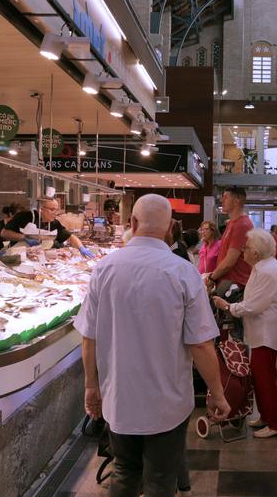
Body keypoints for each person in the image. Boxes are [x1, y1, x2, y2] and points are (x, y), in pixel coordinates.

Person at [74, 194, 230, 497]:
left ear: (132, 222)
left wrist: (91, 387)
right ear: (171, 226)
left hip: (119, 398)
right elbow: (201, 344)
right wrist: (218, 393)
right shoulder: (183, 272)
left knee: (125, 471)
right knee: (161, 478)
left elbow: (89, 336)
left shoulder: (104, 269)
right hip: (167, 401)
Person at [213, 228, 277, 439]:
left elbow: (254, 305)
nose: (243, 251)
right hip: (262, 331)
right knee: (260, 376)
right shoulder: (264, 267)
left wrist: (227, 307)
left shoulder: (267, 271)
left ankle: (275, 422)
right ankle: (266, 416)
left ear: (255, 252)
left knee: (264, 378)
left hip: (267, 332)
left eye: (246, 248)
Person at [2, 198, 95, 258]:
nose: (55, 213)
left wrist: (81, 247)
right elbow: (4, 233)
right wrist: (24, 238)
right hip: (15, 258)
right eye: (52, 209)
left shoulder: (55, 223)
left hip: (36, 260)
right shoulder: (25, 216)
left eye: (57, 210)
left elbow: (70, 237)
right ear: (41, 209)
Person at [205, 186, 254, 294]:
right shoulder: (233, 223)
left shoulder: (242, 225)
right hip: (228, 282)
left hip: (234, 285)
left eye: (225, 197)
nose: (222, 200)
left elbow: (229, 262)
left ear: (236, 201)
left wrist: (212, 278)